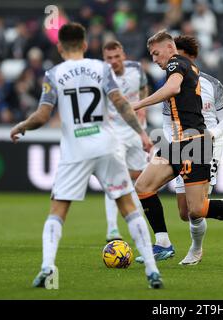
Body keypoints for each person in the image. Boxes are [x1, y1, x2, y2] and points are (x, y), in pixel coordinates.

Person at [9, 23, 163, 289]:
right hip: (106, 144)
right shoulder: (101, 69)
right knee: (127, 206)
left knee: (58, 211)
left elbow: (43, 116)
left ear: (59, 47)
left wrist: (22, 125)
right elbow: (121, 104)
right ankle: (152, 270)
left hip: (75, 150)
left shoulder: (53, 74)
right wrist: (142, 133)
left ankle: (47, 267)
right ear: (84, 44)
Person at [131, 30, 223, 265]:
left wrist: (136, 104)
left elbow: (174, 88)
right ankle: (163, 243)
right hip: (177, 144)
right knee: (144, 186)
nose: (154, 59)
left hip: (194, 144)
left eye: (156, 53)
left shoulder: (176, 64)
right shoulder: (184, 70)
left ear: (170, 48)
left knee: (195, 210)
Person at [102, 40, 149, 242]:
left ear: (124, 55)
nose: (113, 61)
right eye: (109, 58)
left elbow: (144, 88)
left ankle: (139, 224)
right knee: (115, 178)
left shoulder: (136, 68)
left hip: (138, 132)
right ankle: (112, 229)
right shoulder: (102, 75)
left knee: (141, 179)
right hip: (115, 133)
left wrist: (143, 108)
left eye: (116, 56)